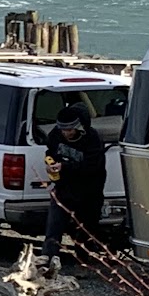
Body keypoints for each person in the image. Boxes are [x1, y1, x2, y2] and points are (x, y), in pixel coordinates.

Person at [40, 100, 107, 270]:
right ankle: (45, 262)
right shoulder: (56, 135)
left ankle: (82, 264)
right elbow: (50, 151)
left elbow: (92, 167)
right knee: (53, 227)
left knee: (85, 230)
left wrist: (65, 166)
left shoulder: (93, 139)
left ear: (79, 127)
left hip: (88, 191)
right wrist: (51, 162)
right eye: (62, 129)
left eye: (69, 130)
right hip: (63, 188)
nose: (65, 133)